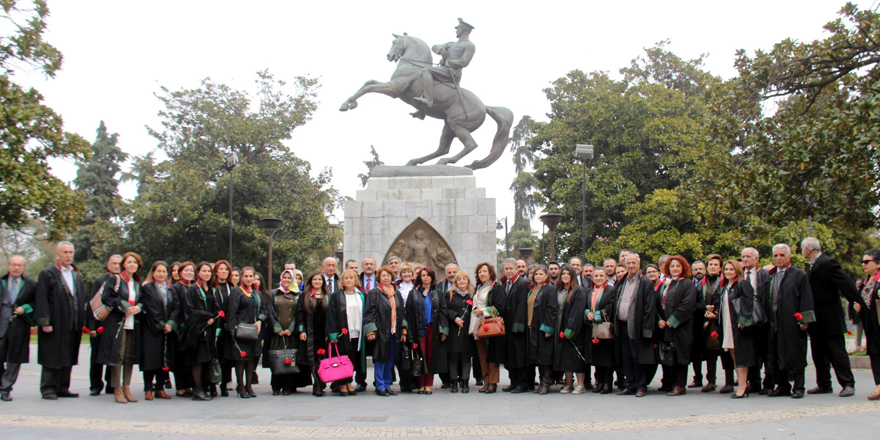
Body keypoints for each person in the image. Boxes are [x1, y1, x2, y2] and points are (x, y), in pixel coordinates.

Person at [801, 237, 861, 397]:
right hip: (816, 319)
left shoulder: (828, 263)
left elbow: (845, 283)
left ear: (807, 249)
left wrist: (858, 301)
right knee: (818, 353)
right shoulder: (810, 266)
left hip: (830, 317)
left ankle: (848, 383)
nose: (802, 252)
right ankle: (824, 384)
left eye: (802, 249)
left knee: (837, 352)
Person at [34, 241, 87, 400]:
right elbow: (41, 298)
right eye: (65, 252)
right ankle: (48, 388)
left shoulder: (76, 275)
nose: (68, 255)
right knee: (52, 354)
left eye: (70, 252)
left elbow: (79, 298)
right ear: (58, 254)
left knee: (68, 354)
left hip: (72, 323)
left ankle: (63, 387)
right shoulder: (48, 274)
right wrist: (45, 322)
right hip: (55, 323)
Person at [767, 244, 816, 399]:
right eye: (776, 255)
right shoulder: (771, 275)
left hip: (792, 321)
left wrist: (805, 320)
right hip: (775, 321)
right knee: (777, 353)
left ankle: (799, 386)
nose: (779, 258)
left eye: (782, 255)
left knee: (796, 353)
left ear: (788, 257)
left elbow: (806, 297)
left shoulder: (798, 275)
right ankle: (782, 386)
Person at [98, 252, 144, 404]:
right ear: (124, 264)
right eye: (129, 262)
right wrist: (124, 306)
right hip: (118, 322)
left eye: (135, 263)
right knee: (118, 354)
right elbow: (106, 297)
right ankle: (116, 388)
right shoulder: (115, 279)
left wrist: (138, 307)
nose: (132, 265)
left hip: (132, 322)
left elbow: (142, 300)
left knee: (129, 356)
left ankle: (126, 387)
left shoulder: (136, 283)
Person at [710, 259, 757, 399]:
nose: (728, 272)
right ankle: (741, 383)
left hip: (738, 326)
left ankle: (743, 386)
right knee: (733, 355)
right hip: (727, 325)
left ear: (737, 270)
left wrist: (743, 320)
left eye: (731, 269)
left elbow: (748, 303)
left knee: (741, 355)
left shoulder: (742, 284)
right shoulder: (725, 286)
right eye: (726, 270)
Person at [614, 254, 657, 397]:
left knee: (639, 356)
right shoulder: (622, 281)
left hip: (638, 326)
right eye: (628, 263)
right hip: (622, 325)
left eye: (633, 263)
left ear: (639, 264)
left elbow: (649, 307)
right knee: (626, 357)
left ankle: (641, 386)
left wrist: (647, 329)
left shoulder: (645, 282)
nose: (631, 266)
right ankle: (630, 384)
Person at [692, 254, 735, 393]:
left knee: (725, 351)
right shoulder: (702, 284)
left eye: (716, 265)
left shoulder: (724, 282)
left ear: (720, 267)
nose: (713, 267)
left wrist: (716, 312)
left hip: (723, 320)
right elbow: (696, 301)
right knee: (710, 351)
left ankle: (729, 381)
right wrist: (704, 309)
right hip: (706, 322)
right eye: (710, 265)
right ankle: (711, 381)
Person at [412, 18, 475, 109]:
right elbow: (434, 46)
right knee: (427, 80)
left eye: (458, 28)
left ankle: (428, 100)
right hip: (444, 70)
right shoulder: (451, 44)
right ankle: (422, 112)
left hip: (452, 72)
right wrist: (441, 50)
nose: (456, 30)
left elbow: (464, 62)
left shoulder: (469, 45)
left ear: (463, 30)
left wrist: (448, 61)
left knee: (426, 71)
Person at [264, 269, 310, 395]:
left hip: (291, 333)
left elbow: (299, 313)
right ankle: (276, 386)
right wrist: (277, 328)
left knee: (291, 358)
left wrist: (291, 329)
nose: (287, 280)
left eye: (289, 278)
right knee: (277, 358)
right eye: (285, 278)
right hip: (277, 333)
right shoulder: (274, 293)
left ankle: (288, 387)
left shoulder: (298, 294)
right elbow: (270, 311)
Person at [656, 255, 697, 396]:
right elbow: (658, 304)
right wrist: (659, 319)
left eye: (678, 266)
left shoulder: (687, 284)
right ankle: (670, 382)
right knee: (670, 354)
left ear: (683, 268)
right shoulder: (665, 284)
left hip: (681, 326)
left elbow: (688, 305)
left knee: (681, 355)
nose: (675, 269)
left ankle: (680, 385)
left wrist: (673, 321)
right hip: (666, 327)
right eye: (672, 266)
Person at [364, 266, 407, 396]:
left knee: (391, 359)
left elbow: (402, 313)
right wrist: (371, 331)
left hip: (395, 331)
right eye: (383, 276)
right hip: (381, 331)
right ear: (379, 278)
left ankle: (388, 384)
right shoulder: (374, 293)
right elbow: (369, 313)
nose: (386, 278)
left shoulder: (396, 293)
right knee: (380, 358)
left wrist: (404, 329)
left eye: (388, 275)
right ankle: (380, 385)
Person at [0, 255, 36, 401]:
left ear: (23, 267)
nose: (16, 268)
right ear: (8, 266)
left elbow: (36, 303)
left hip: (19, 327)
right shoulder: (1, 282)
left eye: (19, 265)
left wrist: (25, 308)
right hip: (1, 326)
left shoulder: (31, 284)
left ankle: (6, 388)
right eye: (13, 265)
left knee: (14, 359)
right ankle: (2, 382)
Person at [139, 261, 176, 401]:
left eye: (164, 271)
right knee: (150, 359)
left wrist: (171, 323)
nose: (161, 274)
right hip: (152, 329)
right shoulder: (148, 288)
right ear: (153, 273)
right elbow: (151, 308)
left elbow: (176, 307)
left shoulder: (170, 289)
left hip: (168, 330)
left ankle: (160, 388)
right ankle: (148, 388)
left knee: (163, 360)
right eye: (158, 271)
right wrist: (162, 325)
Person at [407, 266, 448, 395]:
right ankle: (420, 384)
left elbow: (443, 312)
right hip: (418, 329)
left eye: (428, 275)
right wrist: (407, 331)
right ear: (419, 277)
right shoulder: (413, 293)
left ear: (432, 277)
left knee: (430, 355)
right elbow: (408, 313)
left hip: (432, 329)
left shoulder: (437, 292)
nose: (425, 277)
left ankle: (428, 384)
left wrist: (443, 330)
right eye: (423, 275)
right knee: (420, 355)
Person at [182, 262, 219, 401]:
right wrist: (206, 318)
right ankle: (197, 390)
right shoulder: (192, 289)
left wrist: (214, 318)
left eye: (209, 271)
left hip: (208, 330)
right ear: (198, 273)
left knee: (205, 360)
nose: (207, 274)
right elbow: (190, 310)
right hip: (197, 330)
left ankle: (203, 387)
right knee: (197, 359)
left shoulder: (210, 289)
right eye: (204, 271)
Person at [327, 269, 366, 396]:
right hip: (342, 333)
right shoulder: (337, 296)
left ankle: (349, 383)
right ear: (342, 281)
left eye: (351, 278)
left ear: (356, 280)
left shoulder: (360, 295)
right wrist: (333, 334)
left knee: (353, 359)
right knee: (343, 359)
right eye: (346, 278)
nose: (349, 280)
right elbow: (331, 316)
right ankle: (342, 385)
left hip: (357, 333)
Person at [226, 267, 264, 398]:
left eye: (251, 276)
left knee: (252, 359)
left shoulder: (257, 293)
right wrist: (232, 329)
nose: (248, 279)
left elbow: (264, 310)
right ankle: (240, 385)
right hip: (241, 330)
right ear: (241, 277)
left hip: (255, 331)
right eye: (246, 276)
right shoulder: (237, 292)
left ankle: (249, 385)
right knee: (241, 359)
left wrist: (260, 320)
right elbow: (231, 312)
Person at [87, 254, 121, 396]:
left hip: (115, 324)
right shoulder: (100, 280)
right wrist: (92, 327)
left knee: (112, 355)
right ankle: (95, 385)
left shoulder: (123, 281)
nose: (116, 266)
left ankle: (110, 384)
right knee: (96, 356)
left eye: (119, 263)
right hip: (100, 323)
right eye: (113, 263)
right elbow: (92, 304)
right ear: (108, 265)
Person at [470, 262, 506, 393]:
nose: (482, 274)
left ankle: (493, 382)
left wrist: (483, 311)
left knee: (492, 355)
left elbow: (500, 307)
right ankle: (486, 382)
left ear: (490, 273)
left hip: (491, 326)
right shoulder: (478, 288)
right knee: (482, 355)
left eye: (485, 271)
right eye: (480, 272)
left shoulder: (496, 287)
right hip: (478, 326)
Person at [554, 265, 589, 394]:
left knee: (576, 356)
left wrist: (571, 329)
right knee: (565, 357)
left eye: (568, 274)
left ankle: (580, 385)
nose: (565, 276)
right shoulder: (559, 290)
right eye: (563, 274)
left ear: (572, 276)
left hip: (574, 329)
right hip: (560, 327)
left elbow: (577, 311)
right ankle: (568, 384)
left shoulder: (578, 291)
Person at [742, 247, 772, 394]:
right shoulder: (739, 274)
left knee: (766, 352)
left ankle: (769, 382)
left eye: (748, 257)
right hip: (746, 320)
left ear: (756, 259)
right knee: (750, 351)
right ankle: (753, 382)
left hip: (763, 319)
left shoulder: (765, 275)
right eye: (743, 257)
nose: (745, 259)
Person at [297, 271, 330, 397]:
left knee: (322, 358)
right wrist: (302, 330)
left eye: (319, 280)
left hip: (323, 332)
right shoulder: (304, 296)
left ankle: (321, 381)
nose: (317, 282)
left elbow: (331, 316)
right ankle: (316, 383)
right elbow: (300, 314)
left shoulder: (328, 296)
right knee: (311, 359)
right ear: (311, 281)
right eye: (315, 279)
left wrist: (330, 332)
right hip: (310, 332)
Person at [854, 249, 880, 400]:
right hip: (870, 325)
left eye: (867, 261)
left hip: (878, 323)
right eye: (863, 261)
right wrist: (858, 309)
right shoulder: (865, 281)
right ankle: (878, 385)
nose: (863, 264)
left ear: (877, 264)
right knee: (875, 354)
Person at [527, 265, 558, 395]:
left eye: (541, 274)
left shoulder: (549, 290)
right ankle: (540, 382)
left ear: (546, 276)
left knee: (545, 356)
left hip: (543, 327)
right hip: (532, 327)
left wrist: (548, 328)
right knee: (538, 356)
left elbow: (552, 309)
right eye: (536, 274)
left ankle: (546, 383)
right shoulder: (532, 290)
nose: (538, 276)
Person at [501, 258, 531, 393]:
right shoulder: (505, 284)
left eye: (510, 269)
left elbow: (521, 306)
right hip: (507, 326)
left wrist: (517, 326)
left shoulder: (522, 283)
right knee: (510, 355)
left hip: (518, 326)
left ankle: (522, 383)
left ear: (516, 269)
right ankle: (513, 381)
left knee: (519, 354)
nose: (508, 271)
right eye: (506, 269)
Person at [586, 268, 616, 394]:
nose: (598, 278)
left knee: (606, 357)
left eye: (601, 275)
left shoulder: (610, 290)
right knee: (597, 357)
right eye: (596, 275)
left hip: (604, 328)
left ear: (605, 277)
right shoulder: (588, 291)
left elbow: (611, 305)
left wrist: (597, 314)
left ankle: (607, 383)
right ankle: (599, 382)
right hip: (592, 328)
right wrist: (587, 313)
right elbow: (585, 306)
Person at [445, 271, 475, 393]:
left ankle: (465, 381)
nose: (462, 281)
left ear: (468, 281)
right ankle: (453, 382)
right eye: (459, 279)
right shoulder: (450, 294)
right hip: (454, 330)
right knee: (453, 356)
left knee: (466, 357)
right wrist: (455, 317)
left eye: (464, 279)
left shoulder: (473, 295)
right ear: (455, 282)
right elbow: (444, 309)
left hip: (468, 330)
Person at [170, 261, 195, 397]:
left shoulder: (193, 287)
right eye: (186, 271)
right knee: (179, 359)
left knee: (188, 359)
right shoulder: (176, 288)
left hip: (191, 329)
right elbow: (176, 308)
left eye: (191, 271)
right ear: (180, 273)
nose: (189, 273)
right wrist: (179, 329)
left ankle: (187, 385)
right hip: (180, 329)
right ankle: (180, 387)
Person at [213, 260, 234, 397]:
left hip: (228, 326)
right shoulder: (212, 287)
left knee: (226, 356)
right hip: (215, 325)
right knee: (215, 356)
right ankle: (212, 383)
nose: (224, 272)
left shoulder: (231, 287)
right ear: (216, 271)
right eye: (221, 269)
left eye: (226, 270)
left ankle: (224, 384)